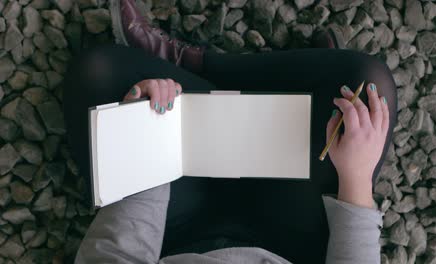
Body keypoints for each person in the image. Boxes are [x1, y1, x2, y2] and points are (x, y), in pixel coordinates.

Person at [63, 1, 397, 263]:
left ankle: (188, 63)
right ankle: (272, 78)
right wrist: (356, 178)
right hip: (290, 241)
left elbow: (117, 256)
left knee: (98, 74)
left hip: (169, 233)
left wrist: (147, 139)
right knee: (364, 87)